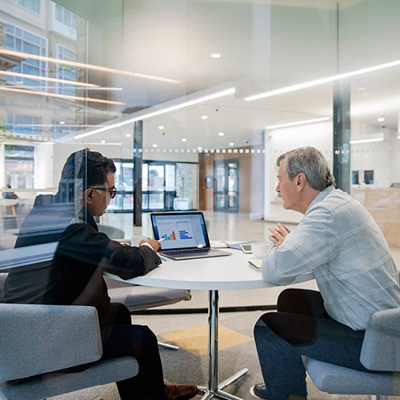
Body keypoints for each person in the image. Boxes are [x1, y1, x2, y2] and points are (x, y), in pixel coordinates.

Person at [4, 149, 197, 400]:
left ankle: (146, 393)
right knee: (143, 338)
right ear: (90, 194)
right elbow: (129, 264)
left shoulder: (48, 211)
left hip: (26, 327)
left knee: (118, 312)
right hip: (39, 341)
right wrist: (148, 247)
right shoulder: (70, 225)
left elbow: (92, 249)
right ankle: (156, 395)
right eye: (111, 191)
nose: (112, 198)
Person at [251, 146, 400, 400]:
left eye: (279, 179)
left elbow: (274, 270)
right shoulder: (337, 204)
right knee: (291, 299)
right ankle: (285, 385)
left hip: (376, 340)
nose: (277, 188)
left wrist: (284, 246)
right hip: (379, 322)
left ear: (299, 181)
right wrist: (292, 245)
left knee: (268, 327)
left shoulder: (326, 215)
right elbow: (311, 251)